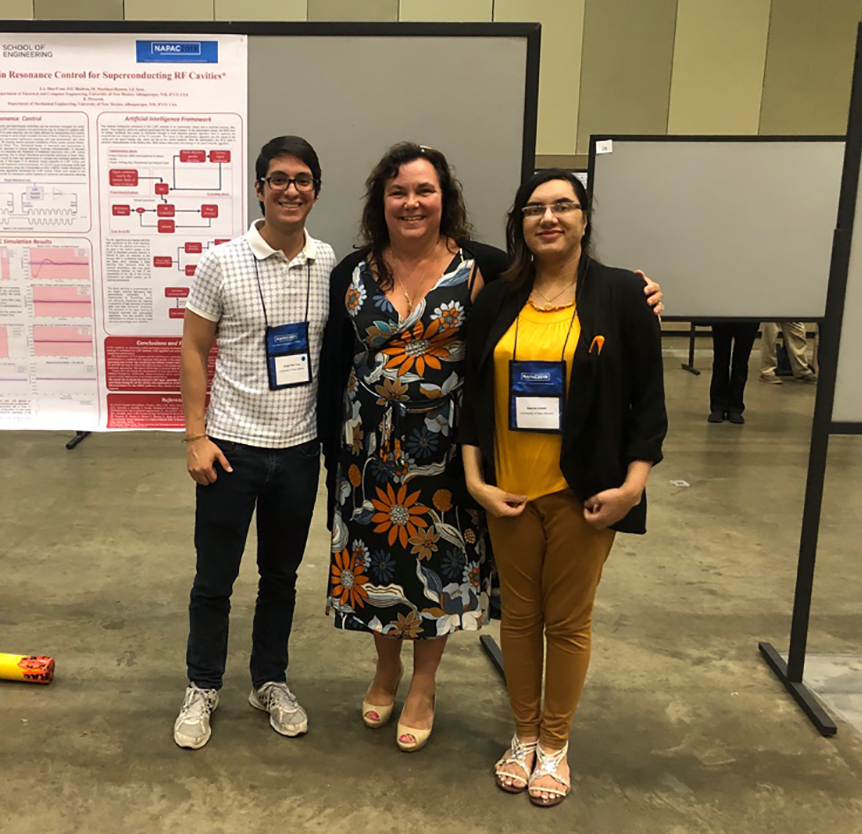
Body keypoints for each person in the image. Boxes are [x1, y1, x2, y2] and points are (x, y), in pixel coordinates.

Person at [460, 170, 667, 806]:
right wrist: (475, 480)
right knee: (519, 621)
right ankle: (523, 737)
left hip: (585, 496)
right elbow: (472, 399)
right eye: (534, 209)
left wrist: (633, 485)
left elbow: (647, 403)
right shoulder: (496, 298)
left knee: (568, 623)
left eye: (562, 207)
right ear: (519, 223)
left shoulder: (623, 294)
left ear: (583, 218)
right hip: (509, 493)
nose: (548, 218)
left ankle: (555, 745)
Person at [318, 143, 508, 753]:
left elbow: (563, 283)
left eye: (424, 191)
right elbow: (332, 362)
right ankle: (386, 668)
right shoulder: (352, 270)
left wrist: (639, 293)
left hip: (447, 452)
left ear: (444, 199)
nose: (411, 203)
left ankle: (424, 682)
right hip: (365, 449)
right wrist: (331, 451)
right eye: (398, 191)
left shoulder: (485, 267)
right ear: (381, 200)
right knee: (378, 566)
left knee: (437, 569)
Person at [174, 136, 338, 750]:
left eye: (302, 179)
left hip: (300, 450)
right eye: (278, 179)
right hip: (231, 449)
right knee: (213, 580)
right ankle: (202, 686)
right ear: (259, 188)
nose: (290, 189)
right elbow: (193, 348)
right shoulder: (221, 261)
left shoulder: (330, 264)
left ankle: (269, 680)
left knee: (281, 578)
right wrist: (195, 436)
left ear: (316, 190)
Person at [708, 321, 758, 423]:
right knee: (720, 359)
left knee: (741, 361)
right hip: (722, 314)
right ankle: (718, 406)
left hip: (749, 315)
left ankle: (736, 406)